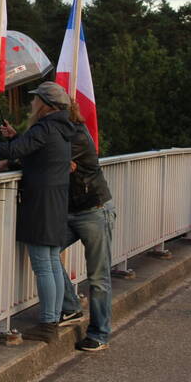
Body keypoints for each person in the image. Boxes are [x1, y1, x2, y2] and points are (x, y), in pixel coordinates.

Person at [0, 81, 76, 343]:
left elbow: (15, 152)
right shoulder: (61, 128)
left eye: (36, 99)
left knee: (43, 265)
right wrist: (16, 137)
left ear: (46, 105)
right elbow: (31, 152)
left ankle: (48, 324)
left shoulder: (45, 127)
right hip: (55, 201)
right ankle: (53, 319)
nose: (32, 102)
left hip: (41, 203)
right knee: (52, 262)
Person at [57, 100, 115, 352]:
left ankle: (99, 334)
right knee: (46, 251)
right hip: (72, 210)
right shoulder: (58, 133)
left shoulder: (77, 135)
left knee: (98, 276)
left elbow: (43, 158)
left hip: (94, 210)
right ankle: (71, 306)